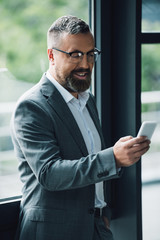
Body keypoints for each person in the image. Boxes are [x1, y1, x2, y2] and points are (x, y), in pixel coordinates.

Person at [10, 15, 150, 240]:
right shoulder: (32, 106)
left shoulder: (87, 100)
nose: (85, 64)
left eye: (90, 54)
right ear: (51, 55)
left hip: (95, 227)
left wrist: (102, 212)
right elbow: (50, 174)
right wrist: (112, 158)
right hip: (52, 232)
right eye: (75, 54)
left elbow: (90, 162)